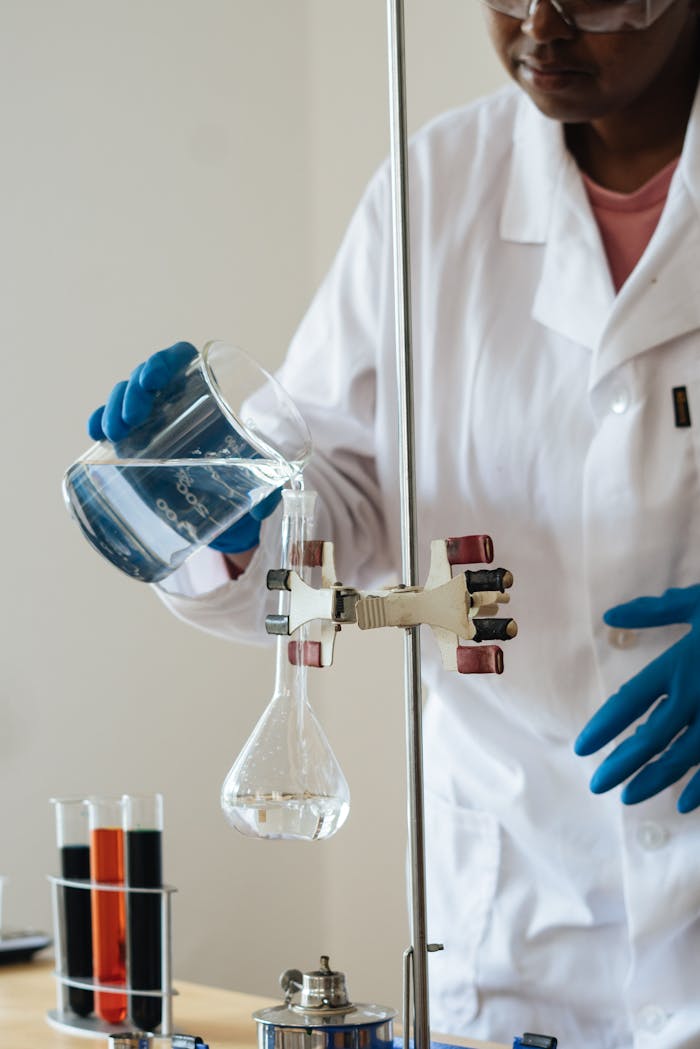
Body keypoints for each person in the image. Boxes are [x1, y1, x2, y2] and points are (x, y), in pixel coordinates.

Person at [88, 0, 700, 1045]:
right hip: (521, 909)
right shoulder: (434, 190)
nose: (540, 26)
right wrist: (216, 494)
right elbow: (331, 488)